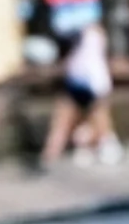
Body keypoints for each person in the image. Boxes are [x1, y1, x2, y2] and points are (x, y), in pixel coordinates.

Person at [40, 22, 117, 167]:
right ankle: (52, 152)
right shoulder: (82, 33)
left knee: (97, 117)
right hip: (83, 80)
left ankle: (103, 146)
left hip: (92, 81)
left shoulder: (88, 33)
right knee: (67, 118)